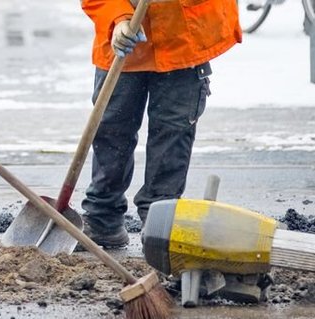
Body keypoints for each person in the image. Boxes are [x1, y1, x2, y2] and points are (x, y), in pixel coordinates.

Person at [80, 0, 241, 248]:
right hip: (125, 40)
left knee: (172, 131)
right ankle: (102, 219)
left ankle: (159, 222)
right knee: (111, 128)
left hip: (183, 39)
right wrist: (118, 18)